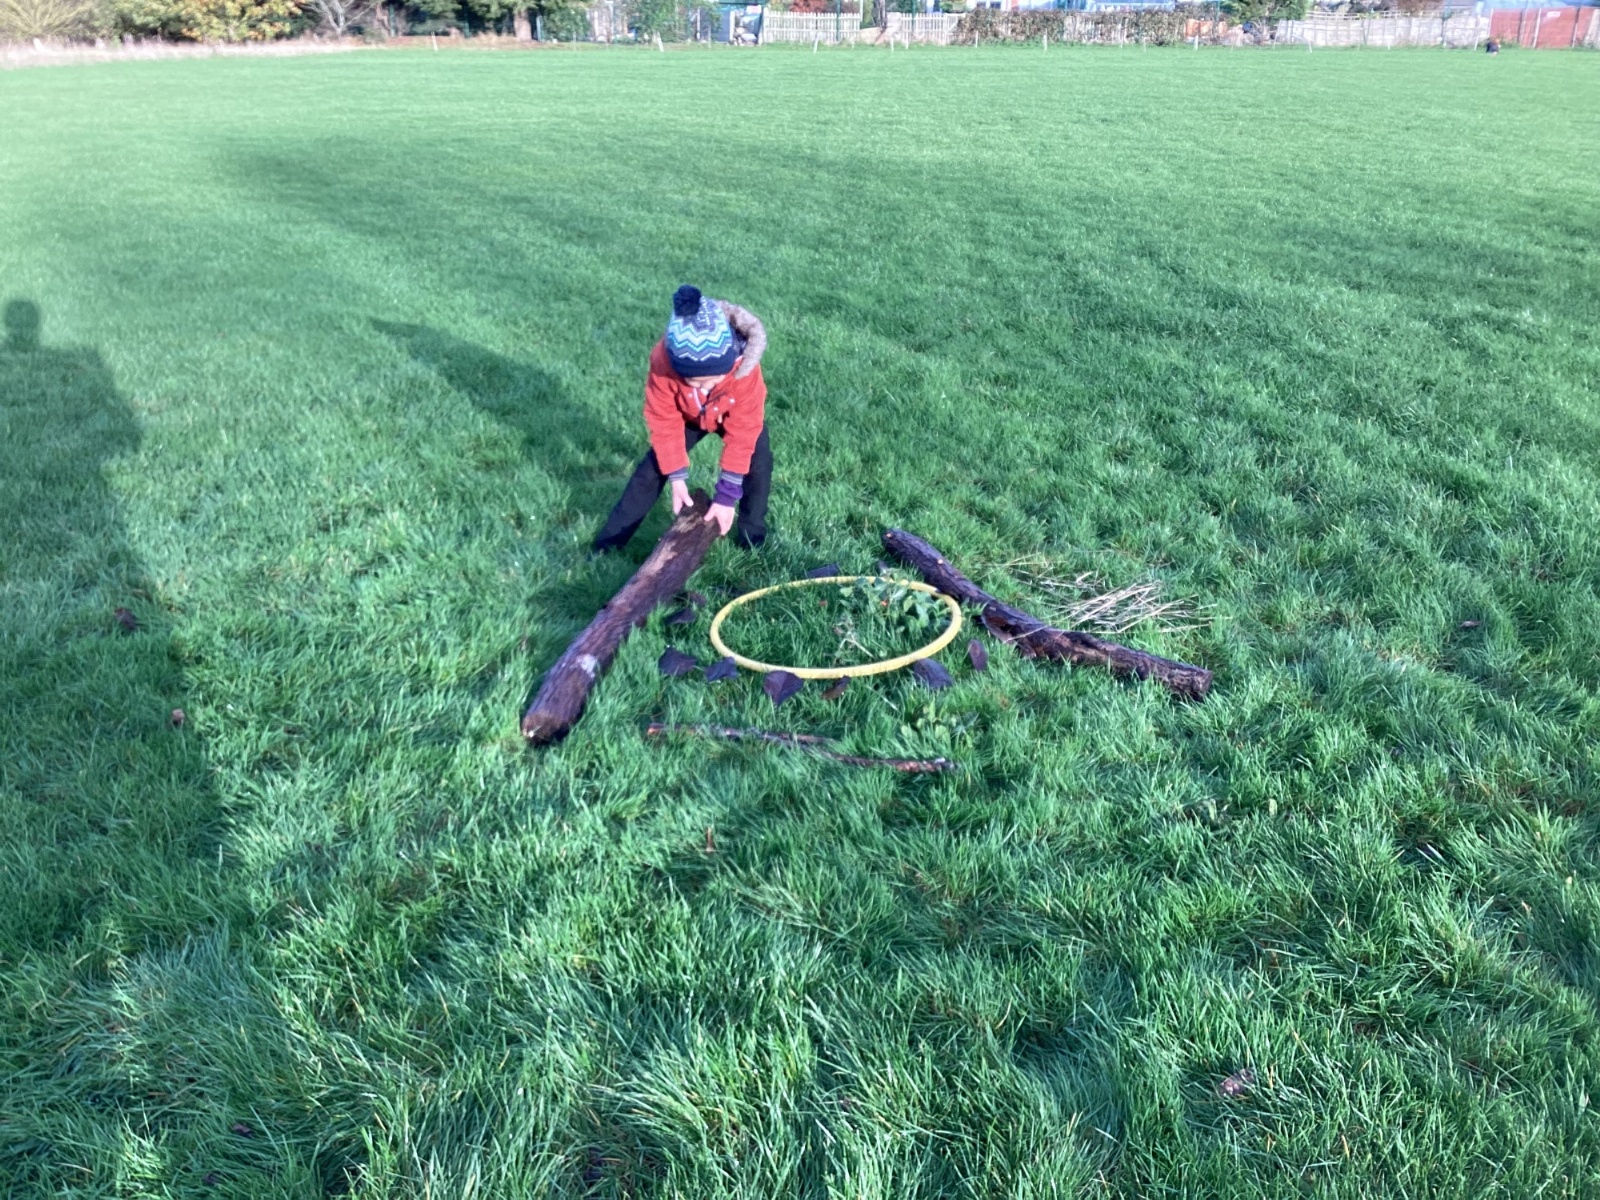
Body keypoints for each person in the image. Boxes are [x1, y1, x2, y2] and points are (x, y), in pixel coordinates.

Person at [592, 285, 771, 552]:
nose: (705, 388)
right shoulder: (663, 363)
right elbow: (663, 420)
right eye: (694, 382)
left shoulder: (745, 371)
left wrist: (725, 497)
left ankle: (752, 540)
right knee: (651, 470)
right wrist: (676, 476)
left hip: (732, 412)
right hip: (687, 415)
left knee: (759, 463)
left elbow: (743, 434)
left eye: (713, 380)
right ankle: (608, 546)